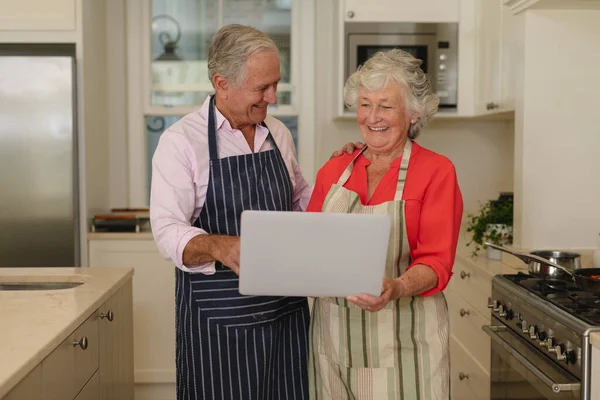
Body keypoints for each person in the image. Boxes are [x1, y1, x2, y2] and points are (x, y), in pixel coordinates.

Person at [150, 24, 357, 400]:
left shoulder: (277, 132)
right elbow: (166, 231)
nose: (273, 97)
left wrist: (338, 176)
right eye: (262, 88)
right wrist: (220, 247)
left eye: (276, 84)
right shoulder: (181, 142)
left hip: (286, 313)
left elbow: (300, 202)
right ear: (222, 82)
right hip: (220, 320)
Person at [306, 49, 463, 399]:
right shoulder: (335, 170)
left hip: (406, 344)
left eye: (386, 106)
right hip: (333, 343)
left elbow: (437, 263)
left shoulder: (437, 171)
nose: (372, 117)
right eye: (365, 104)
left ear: (413, 114)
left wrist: (396, 287)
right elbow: (309, 247)